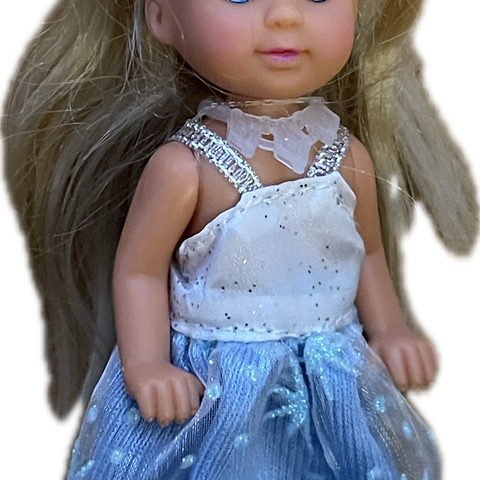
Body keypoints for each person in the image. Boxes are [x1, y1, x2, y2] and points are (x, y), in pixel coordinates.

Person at [1, 0, 478, 478]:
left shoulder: (348, 157)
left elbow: (367, 252)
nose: (285, 15)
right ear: (161, 16)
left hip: (335, 380)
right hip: (218, 388)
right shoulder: (186, 168)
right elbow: (139, 272)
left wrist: (390, 329)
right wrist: (147, 364)